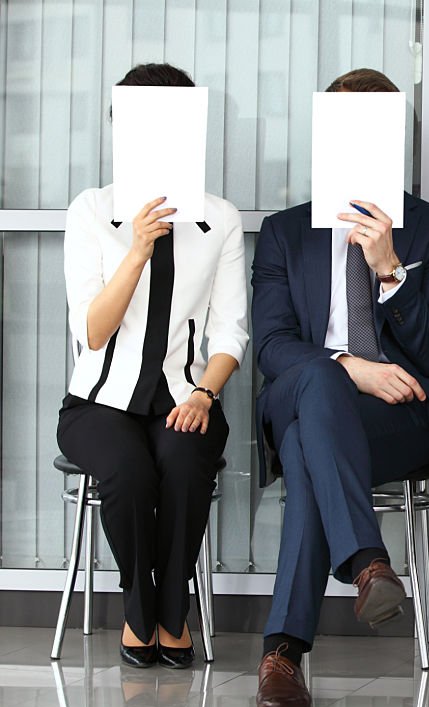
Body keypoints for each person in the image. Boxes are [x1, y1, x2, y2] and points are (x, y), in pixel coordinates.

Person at [250, 69, 429, 707]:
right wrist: (351, 366)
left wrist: (390, 271)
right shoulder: (285, 232)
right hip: (307, 390)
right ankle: (368, 558)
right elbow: (272, 347)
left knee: (308, 448)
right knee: (318, 380)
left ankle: (283, 654)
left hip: (399, 417)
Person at [57, 63, 249, 670]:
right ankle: (142, 609)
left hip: (186, 396)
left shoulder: (219, 218)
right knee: (129, 474)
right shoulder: (91, 211)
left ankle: (175, 605)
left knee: (185, 465)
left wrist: (204, 396)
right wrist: (137, 248)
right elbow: (92, 331)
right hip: (99, 399)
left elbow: (229, 330)